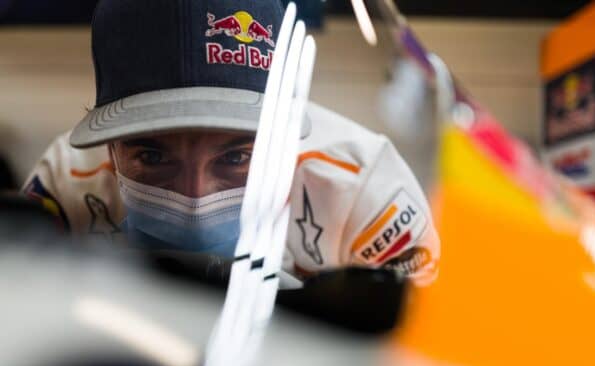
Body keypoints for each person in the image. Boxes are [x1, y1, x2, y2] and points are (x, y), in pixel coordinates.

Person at [23, 0, 440, 285]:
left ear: (282, 139)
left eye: (238, 157)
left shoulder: (369, 197)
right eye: (152, 155)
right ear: (110, 147)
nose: (195, 202)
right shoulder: (66, 181)